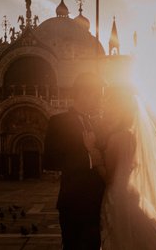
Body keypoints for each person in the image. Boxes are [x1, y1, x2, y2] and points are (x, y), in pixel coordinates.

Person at [84, 88, 156, 249]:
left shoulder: (116, 137)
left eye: (111, 105)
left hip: (117, 196)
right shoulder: (130, 136)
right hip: (130, 193)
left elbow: (109, 177)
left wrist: (92, 153)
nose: (107, 108)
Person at [44, 72, 106, 250]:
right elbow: (50, 160)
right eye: (98, 94)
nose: (101, 100)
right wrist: (87, 159)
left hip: (96, 203)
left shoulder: (96, 123)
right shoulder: (59, 121)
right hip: (73, 202)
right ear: (84, 93)